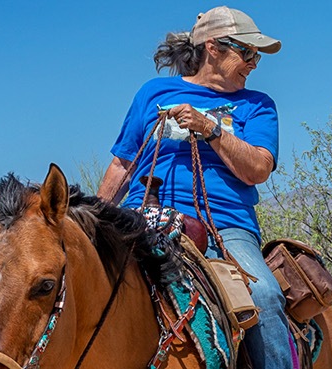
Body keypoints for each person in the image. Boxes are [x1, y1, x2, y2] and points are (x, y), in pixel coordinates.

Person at [96, 6, 291, 369]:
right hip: (143, 214)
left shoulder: (257, 106)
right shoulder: (154, 93)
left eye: (257, 56)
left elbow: (259, 169)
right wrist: (94, 219)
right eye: (246, 52)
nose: (254, 63)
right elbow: (123, 163)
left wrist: (209, 128)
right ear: (213, 47)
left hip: (225, 226)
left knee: (264, 296)